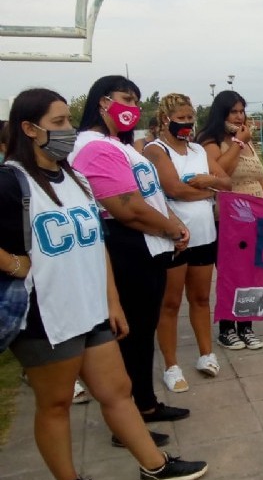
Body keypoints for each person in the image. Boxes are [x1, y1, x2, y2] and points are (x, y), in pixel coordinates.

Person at [2, 88, 207, 480]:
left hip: (91, 308)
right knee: (56, 403)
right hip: (46, 315)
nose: (68, 131)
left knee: (117, 390)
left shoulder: (73, 178)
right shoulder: (10, 181)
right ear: (29, 128)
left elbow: (97, 246)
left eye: (67, 122)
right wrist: (15, 266)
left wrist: (111, 302)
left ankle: (154, 467)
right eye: (58, 123)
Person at [70, 75, 192, 427]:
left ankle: (146, 403)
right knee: (130, 336)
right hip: (128, 246)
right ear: (103, 101)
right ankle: (128, 421)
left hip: (149, 245)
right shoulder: (95, 147)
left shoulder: (119, 145)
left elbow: (149, 196)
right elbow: (126, 207)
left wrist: (173, 226)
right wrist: (171, 228)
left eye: (137, 101)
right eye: (126, 98)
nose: (133, 108)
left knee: (141, 334)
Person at [144, 93, 231, 393]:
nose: (187, 123)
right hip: (174, 236)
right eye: (180, 118)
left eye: (191, 117)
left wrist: (209, 182)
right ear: (165, 119)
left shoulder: (197, 149)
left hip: (205, 234)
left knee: (201, 299)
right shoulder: (156, 150)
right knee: (169, 303)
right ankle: (171, 365)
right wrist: (210, 190)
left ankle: (206, 354)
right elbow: (174, 189)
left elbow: (226, 182)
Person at [197, 90, 263, 351]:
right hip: (228, 218)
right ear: (222, 113)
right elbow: (220, 174)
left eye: (242, 111)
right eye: (234, 112)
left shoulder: (247, 140)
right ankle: (227, 328)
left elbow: (259, 177)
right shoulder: (211, 140)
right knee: (231, 273)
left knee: (251, 273)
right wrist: (238, 142)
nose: (240, 117)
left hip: (255, 217)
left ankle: (246, 326)